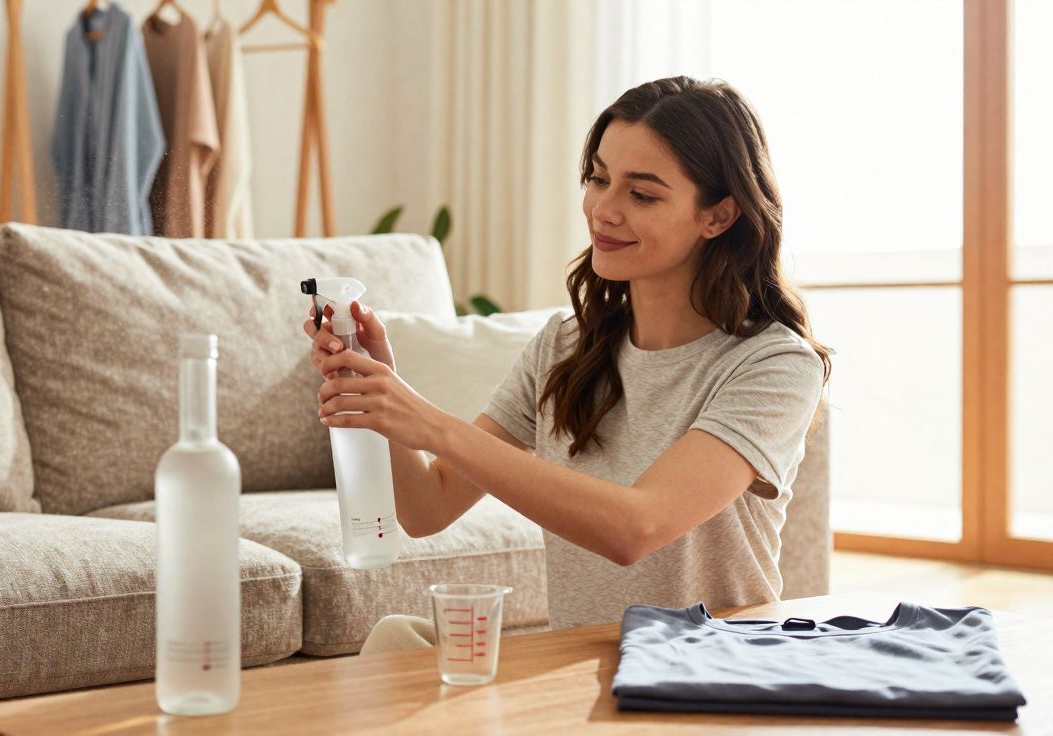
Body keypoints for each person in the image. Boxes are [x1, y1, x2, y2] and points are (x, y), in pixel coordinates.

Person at [302, 76, 831, 653]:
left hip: (708, 668)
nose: (602, 210)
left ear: (718, 216)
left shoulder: (773, 365)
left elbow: (636, 528)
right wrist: (381, 391)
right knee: (394, 648)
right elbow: (428, 508)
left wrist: (431, 423)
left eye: (642, 194)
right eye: (598, 178)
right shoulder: (564, 346)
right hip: (581, 671)